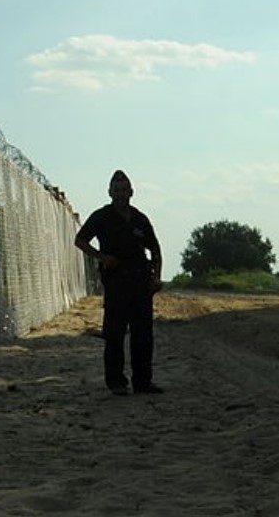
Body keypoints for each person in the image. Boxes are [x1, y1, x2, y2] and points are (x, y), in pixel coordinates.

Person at [74, 170, 162, 396]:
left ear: (132, 192)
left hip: (141, 282)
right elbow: (80, 240)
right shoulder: (102, 217)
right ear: (110, 193)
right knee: (114, 334)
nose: (122, 194)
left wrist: (156, 277)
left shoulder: (140, 218)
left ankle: (143, 382)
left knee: (143, 336)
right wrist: (103, 258)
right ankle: (117, 383)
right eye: (117, 191)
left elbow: (155, 250)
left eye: (125, 190)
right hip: (116, 282)